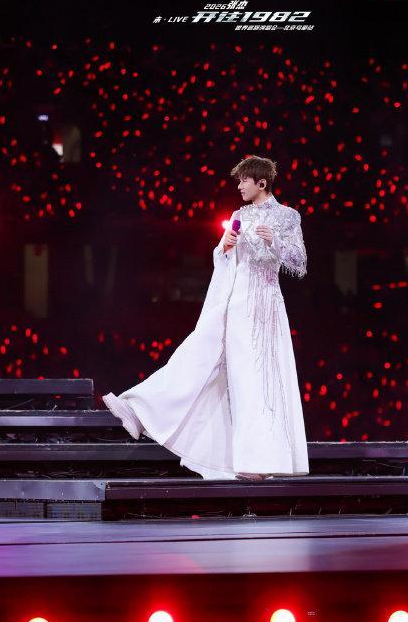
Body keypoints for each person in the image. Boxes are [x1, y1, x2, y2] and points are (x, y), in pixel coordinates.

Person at [102, 155, 310, 481]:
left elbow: (300, 262)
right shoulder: (239, 216)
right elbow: (225, 257)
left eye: (244, 180)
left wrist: (276, 241)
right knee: (202, 359)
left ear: (262, 183)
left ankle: (256, 461)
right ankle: (141, 408)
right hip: (233, 303)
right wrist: (224, 248)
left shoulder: (287, 216)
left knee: (255, 382)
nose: (239, 186)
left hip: (265, 309)